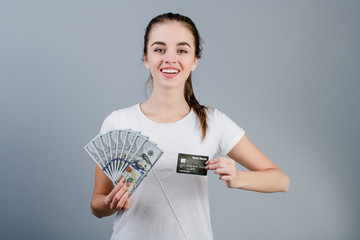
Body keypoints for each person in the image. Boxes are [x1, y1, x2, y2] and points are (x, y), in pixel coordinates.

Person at [90, 12, 290, 240]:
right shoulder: (118, 122)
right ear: (146, 58)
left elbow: (281, 180)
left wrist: (238, 179)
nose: (170, 58)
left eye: (182, 50)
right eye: (159, 49)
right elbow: (96, 204)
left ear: (194, 60)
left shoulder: (213, 122)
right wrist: (109, 203)